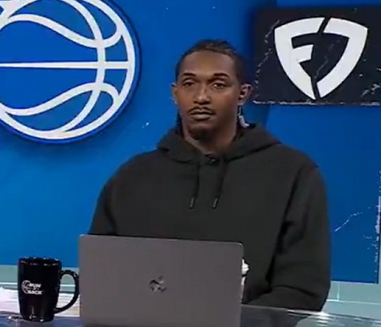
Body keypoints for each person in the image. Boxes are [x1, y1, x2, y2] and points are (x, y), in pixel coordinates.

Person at [89, 39, 331, 312]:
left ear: (243, 94)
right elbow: (101, 276)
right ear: (175, 93)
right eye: (189, 84)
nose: (201, 97)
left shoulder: (293, 173)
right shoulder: (131, 178)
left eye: (218, 84)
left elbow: (302, 289)